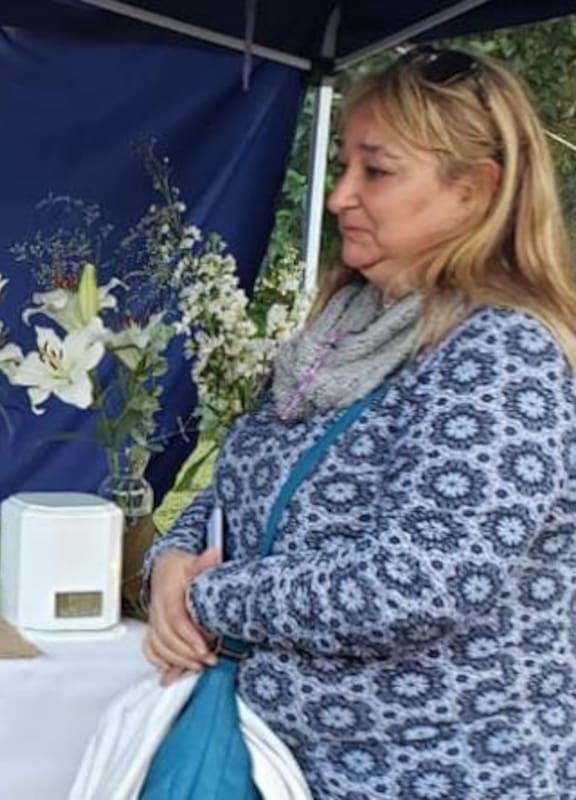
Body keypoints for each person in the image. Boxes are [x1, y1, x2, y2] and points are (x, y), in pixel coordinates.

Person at [143, 47, 576, 799]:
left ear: (474, 190)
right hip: (309, 766)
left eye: (376, 171)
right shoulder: (341, 334)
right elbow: (238, 489)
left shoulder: (501, 353)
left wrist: (207, 597)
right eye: (344, 166)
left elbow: (422, 581)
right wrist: (171, 560)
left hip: (450, 774)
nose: (340, 197)